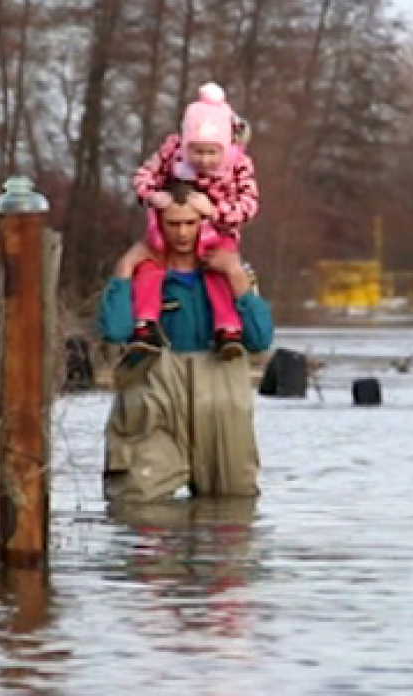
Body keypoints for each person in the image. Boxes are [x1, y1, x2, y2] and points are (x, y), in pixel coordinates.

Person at [98, 182, 274, 501]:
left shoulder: (231, 274)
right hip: (154, 407)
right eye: (173, 223)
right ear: (157, 223)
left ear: (205, 223)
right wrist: (124, 270)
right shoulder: (140, 276)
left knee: (232, 519)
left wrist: (236, 276)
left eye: (190, 223)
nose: (182, 233)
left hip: (222, 410)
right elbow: (115, 331)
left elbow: (260, 340)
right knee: (138, 511)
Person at [125, 82, 261, 359]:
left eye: (212, 152)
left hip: (219, 229)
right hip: (174, 223)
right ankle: (145, 323)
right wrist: (154, 196)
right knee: (150, 266)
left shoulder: (239, 164)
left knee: (219, 270)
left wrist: (214, 211)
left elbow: (248, 206)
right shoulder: (171, 153)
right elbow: (142, 178)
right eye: (197, 151)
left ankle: (228, 329)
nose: (204, 160)